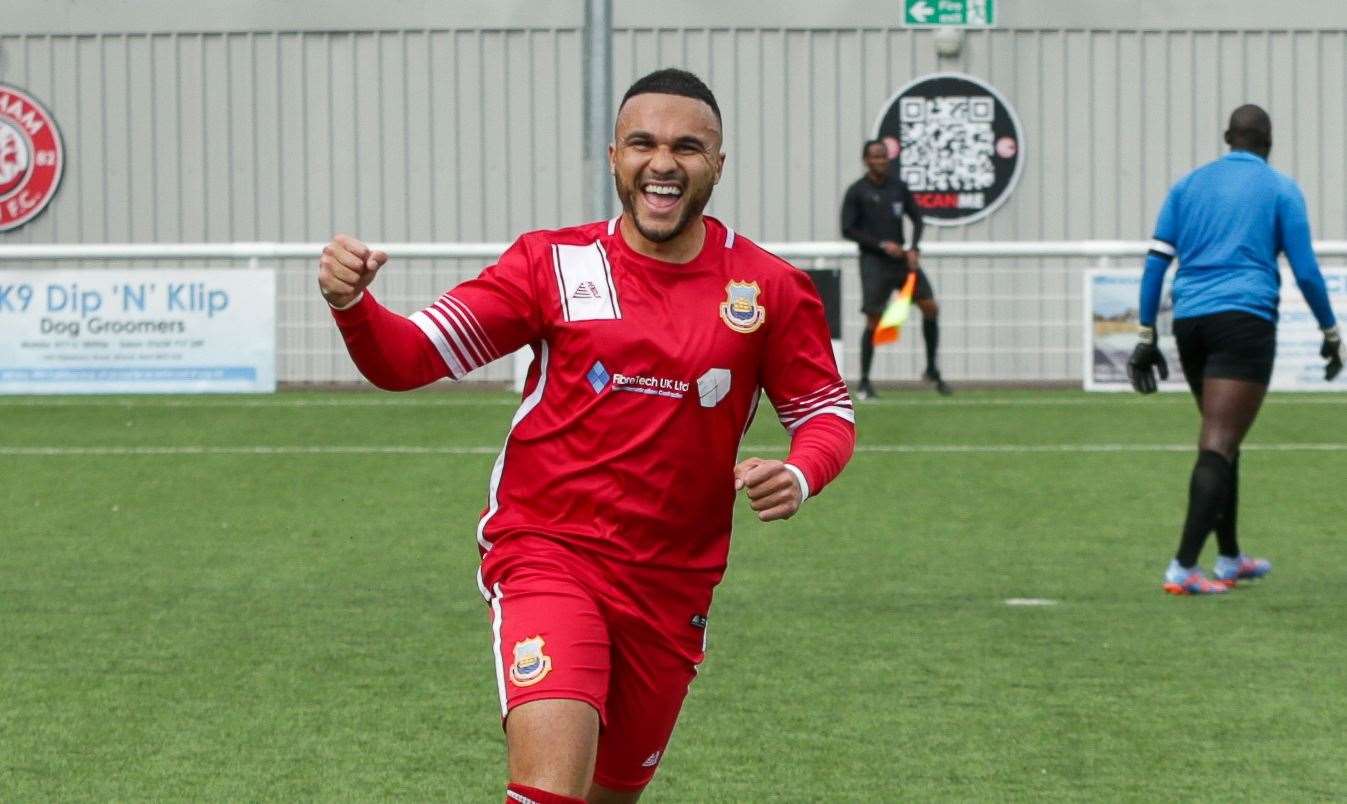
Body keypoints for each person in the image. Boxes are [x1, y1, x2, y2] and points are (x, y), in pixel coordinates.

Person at [317, 68, 855, 802]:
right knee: (547, 791)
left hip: (672, 584)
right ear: (613, 158)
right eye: (642, 142)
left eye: (687, 147)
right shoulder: (551, 262)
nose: (662, 161)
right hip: (549, 552)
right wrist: (353, 305)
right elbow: (410, 358)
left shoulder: (766, 287)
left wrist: (799, 473)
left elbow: (825, 412)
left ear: (717, 166)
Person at [1127, 104, 1342, 596]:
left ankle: (1228, 558)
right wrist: (1330, 331)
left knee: (1223, 438)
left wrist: (1145, 333)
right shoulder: (1281, 188)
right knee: (1220, 442)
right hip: (1243, 319)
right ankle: (1182, 569)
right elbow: (1306, 271)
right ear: (1270, 142)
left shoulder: (1187, 186)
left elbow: (1157, 262)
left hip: (1190, 322)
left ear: (1228, 137)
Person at [840, 138, 951, 398]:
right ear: (866, 160)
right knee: (875, 320)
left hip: (902, 261)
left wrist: (913, 248)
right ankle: (865, 382)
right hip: (874, 263)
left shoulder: (898, 187)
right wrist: (880, 245)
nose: (880, 161)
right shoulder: (857, 191)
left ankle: (932, 369)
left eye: (884, 156)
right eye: (875, 157)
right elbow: (847, 228)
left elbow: (918, 218)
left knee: (930, 306)